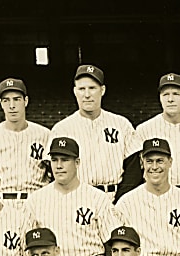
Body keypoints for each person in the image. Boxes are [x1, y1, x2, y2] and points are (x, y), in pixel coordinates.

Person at [24, 136, 125, 256]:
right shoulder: (36, 200)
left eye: (65, 160)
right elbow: (27, 249)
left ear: (77, 163)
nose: (58, 166)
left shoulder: (97, 198)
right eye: (54, 160)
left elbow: (112, 244)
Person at [48, 64, 140, 196]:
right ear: (75, 91)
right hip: (77, 197)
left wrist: (121, 201)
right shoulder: (62, 128)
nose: (87, 94)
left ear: (102, 90)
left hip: (113, 196)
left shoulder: (121, 124)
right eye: (81, 89)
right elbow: (54, 172)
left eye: (92, 88)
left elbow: (133, 169)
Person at [114, 138, 180, 256]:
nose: (154, 166)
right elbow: (118, 249)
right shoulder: (126, 203)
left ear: (170, 162)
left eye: (160, 161)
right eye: (149, 161)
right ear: (142, 162)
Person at [0, 78, 53, 201]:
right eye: (6, 100)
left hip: (37, 201)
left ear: (26, 101)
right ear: (1, 103)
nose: (12, 106)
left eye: (16, 99)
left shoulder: (45, 135)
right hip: (2, 201)